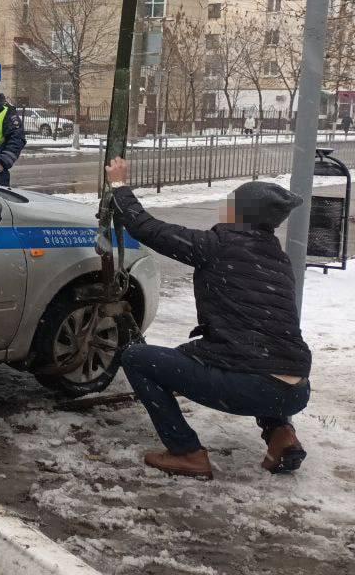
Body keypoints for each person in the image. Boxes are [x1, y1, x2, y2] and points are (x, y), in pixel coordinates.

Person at [105, 156, 311, 480]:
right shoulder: (278, 258)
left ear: (241, 213)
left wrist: (119, 185)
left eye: (231, 204)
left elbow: (147, 228)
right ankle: (281, 435)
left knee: (137, 358)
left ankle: (187, 452)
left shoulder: (216, 246)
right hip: (297, 389)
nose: (224, 208)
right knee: (262, 358)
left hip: (249, 386)